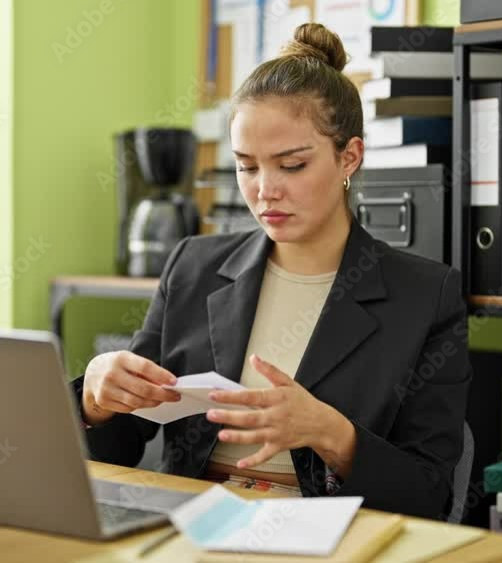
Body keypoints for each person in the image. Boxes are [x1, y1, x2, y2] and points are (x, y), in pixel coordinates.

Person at [70, 23, 470, 519]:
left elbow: (430, 497)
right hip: (194, 527)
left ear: (349, 157)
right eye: (247, 166)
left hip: (327, 536)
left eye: (292, 165)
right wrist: (95, 401)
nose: (265, 190)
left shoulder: (425, 296)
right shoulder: (194, 266)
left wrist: (330, 432)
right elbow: (119, 450)